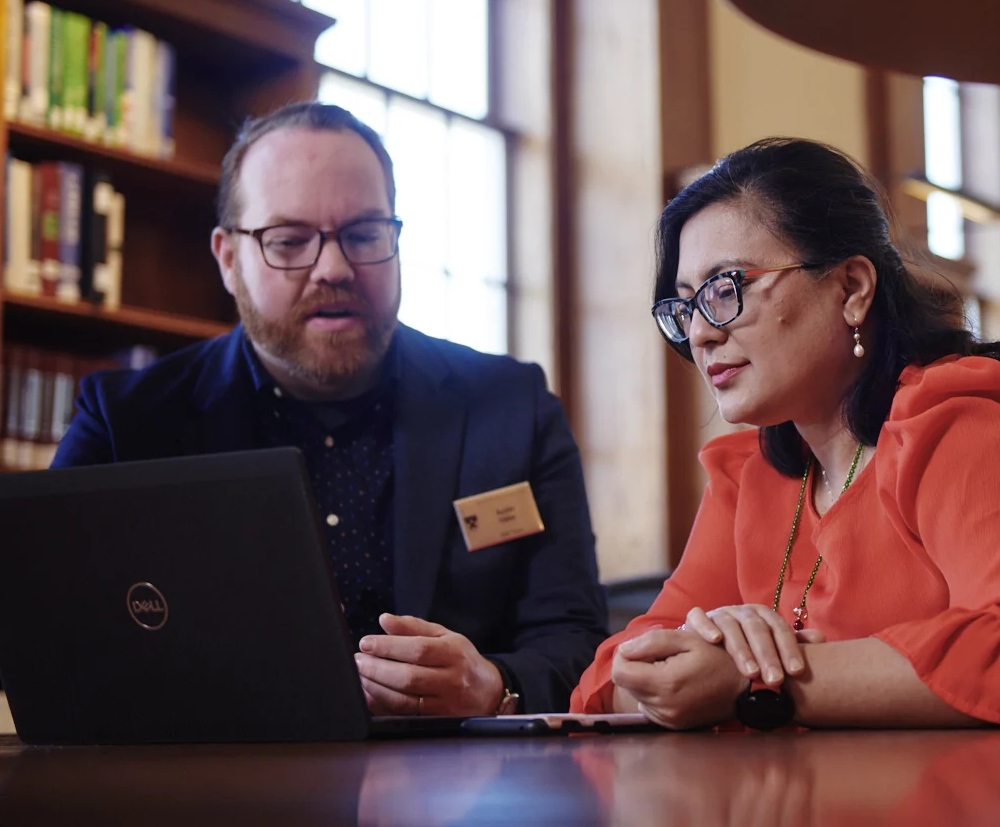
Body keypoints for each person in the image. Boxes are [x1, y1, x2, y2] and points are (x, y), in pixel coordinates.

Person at [569, 137, 1000, 729]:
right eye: (684, 306)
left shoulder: (973, 423)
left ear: (852, 288)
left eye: (726, 289)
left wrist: (753, 679)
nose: (700, 333)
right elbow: (607, 680)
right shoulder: (756, 471)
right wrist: (697, 658)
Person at [54, 102, 606, 716]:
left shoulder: (512, 408)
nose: (335, 268)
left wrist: (494, 685)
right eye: (289, 241)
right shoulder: (126, 421)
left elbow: (577, 638)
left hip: (452, 790)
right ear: (229, 260)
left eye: (364, 234)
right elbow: (54, 637)